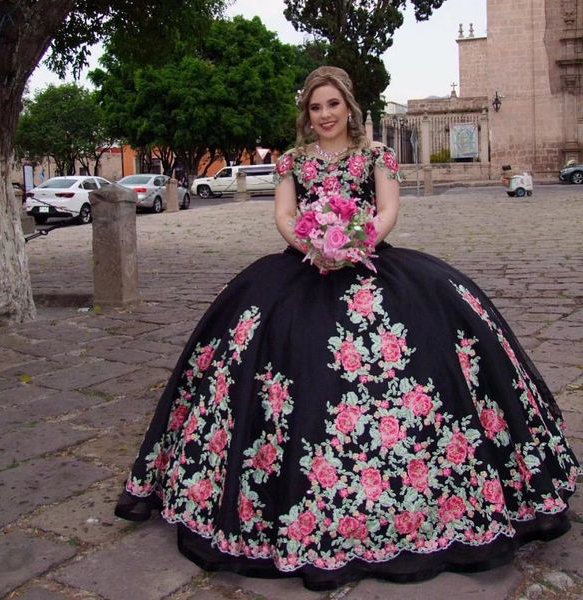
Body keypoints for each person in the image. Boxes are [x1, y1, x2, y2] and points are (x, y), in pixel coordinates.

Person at [115, 66, 580, 591]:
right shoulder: (291, 160)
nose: (324, 115)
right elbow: (286, 216)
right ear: (306, 114)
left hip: (371, 261)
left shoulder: (376, 154)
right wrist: (314, 246)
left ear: (348, 107)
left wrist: (354, 243)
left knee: (431, 352)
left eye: (332, 105)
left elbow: (388, 210)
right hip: (306, 265)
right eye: (315, 108)